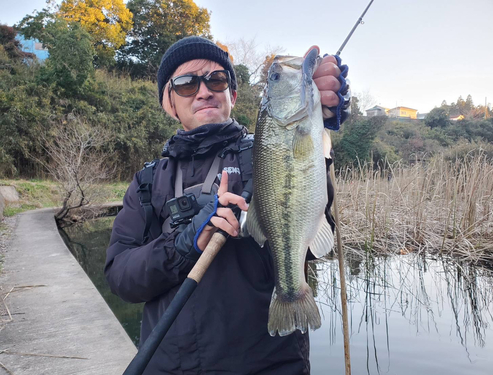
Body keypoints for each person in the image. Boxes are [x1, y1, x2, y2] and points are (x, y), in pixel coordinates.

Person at [105, 36, 350, 374]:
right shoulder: (148, 183)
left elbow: (309, 238)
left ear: (232, 95)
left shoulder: (262, 153)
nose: (204, 91)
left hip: (268, 365)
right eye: (187, 84)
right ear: (170, 103)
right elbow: (121, 278)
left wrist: (318, 122)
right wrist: (183, 242)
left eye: (216, 80)